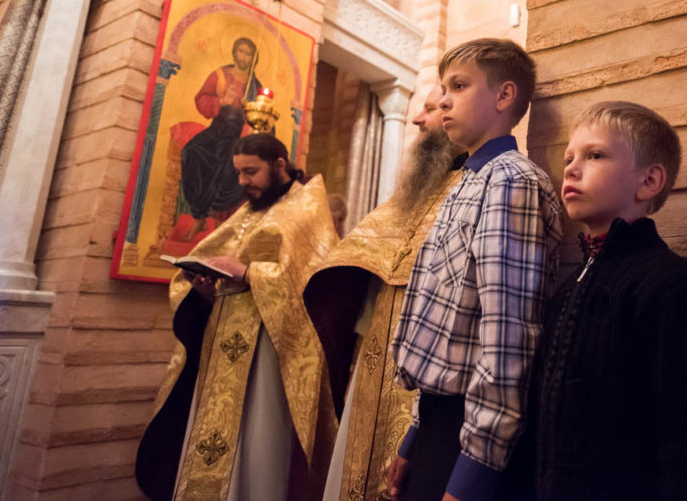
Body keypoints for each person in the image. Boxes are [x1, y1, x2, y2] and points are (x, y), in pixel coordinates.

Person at [388, 38, 563, 501]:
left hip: (469, 433)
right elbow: (446, 329)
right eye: (444, 88)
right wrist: (414, 435)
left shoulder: (511, 182)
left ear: (504, 96)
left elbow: (508, 334)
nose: (444, 100)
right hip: (440, 420)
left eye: (459, 86)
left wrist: (475, 472)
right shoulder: (470, 180)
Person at [534, 101, 687, 500]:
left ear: (649, 181)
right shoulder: (571, 285)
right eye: (569, 158)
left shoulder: (670, 287)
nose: (570, 169)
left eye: (595, 155)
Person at [136, 134, 338, 501]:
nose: (243, 181)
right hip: (221, 343)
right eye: (239, 172)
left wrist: (248, 273)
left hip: (268, 348)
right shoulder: (249, 211)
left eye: (251, 172)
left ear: (279, 165)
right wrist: (203, 288)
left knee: (257, 436)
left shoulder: (307, 207)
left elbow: (314, 282)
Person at [304, 84, 467, 501]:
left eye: (429, 109)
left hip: (424, 381)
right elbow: (366, 284)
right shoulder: (412, 194)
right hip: (372, 362)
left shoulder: (472, 192)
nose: (417, 119)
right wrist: (355, 364)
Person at [181, 37, 265, 241]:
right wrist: (222, 101)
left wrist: (248, 110)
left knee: (230, 162)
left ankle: (218, 221)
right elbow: (201, 98)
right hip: (217, 129)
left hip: (239, 135)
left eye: (248, 54)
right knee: (190, 152)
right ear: (234, 52)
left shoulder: (255, 86)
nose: (243, 57)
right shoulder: (220, 75)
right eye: (241, 51)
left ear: (253, 59)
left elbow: (261, 118)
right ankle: (199, 215)